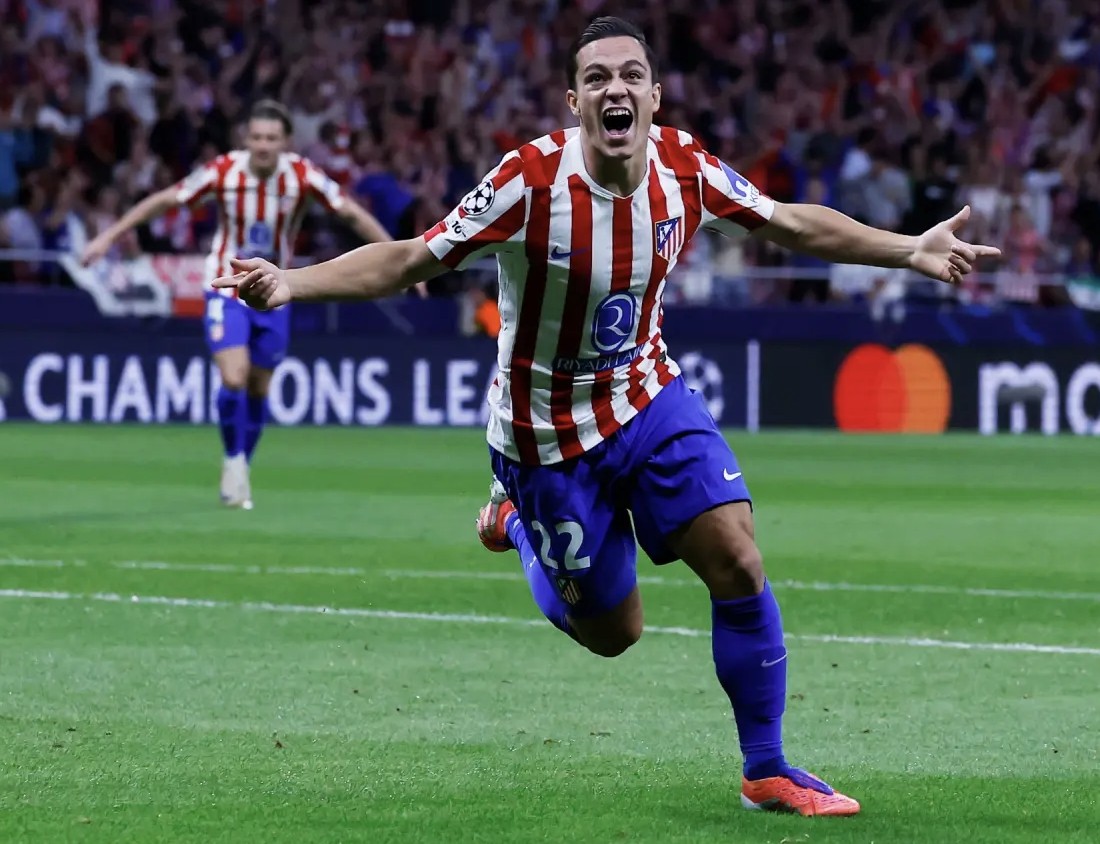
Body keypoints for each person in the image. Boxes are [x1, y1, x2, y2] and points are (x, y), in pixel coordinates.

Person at [214, 19, 999, 815]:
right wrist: (293, 282)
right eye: (597, 78)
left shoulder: (685, 168)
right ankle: (517, 523)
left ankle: (767, 768)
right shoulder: (528, 183)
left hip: (646, 398)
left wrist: (908, 249)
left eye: (630, 75)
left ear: (654, 96)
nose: (615, 88)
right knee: (614, 632)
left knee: (737, 556)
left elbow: (791, 221)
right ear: (574, 101)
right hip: (545, 440)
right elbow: (412, 257)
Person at [81, 100, 393, 509]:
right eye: (256, 137)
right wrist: (108, 237)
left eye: (271, 138)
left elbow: (351, 213)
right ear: (246, 139)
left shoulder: (303, 175)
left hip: (275, 291)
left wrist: (397, 259)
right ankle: (233, 461)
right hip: (225, 287)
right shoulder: (224, 170)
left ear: (285, 142)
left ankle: (242, 461)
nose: (263, 145)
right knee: (234, 376)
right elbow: (167, 199)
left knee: (259, 386)